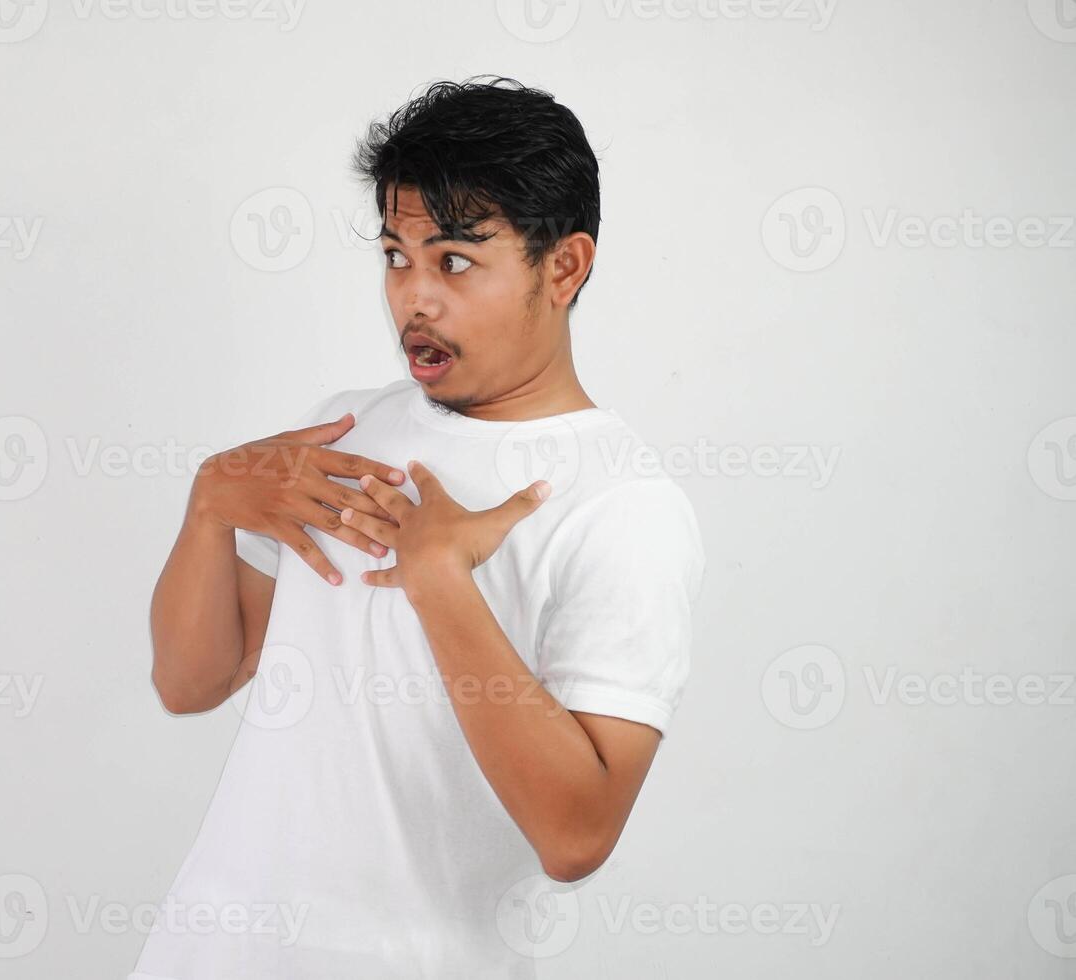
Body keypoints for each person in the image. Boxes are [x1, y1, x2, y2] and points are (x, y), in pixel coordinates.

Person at [132, 75, 706, 979]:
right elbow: (190, 680)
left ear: (564, 267)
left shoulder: (621, 506)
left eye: (455, 262)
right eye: (396, 257)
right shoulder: (347, 428)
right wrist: (210, 504)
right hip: (210, 952)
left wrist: (441, 580)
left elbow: (576, 835)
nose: (414, 300)